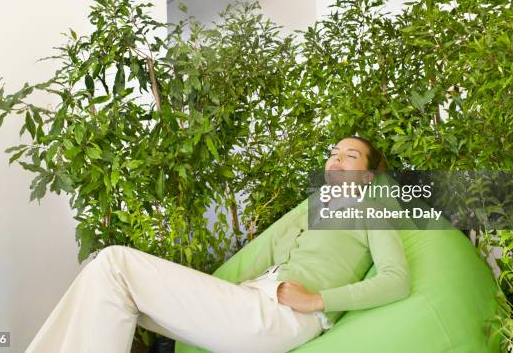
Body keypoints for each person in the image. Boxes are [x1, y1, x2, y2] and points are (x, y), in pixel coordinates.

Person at [25, 135, 410, 353]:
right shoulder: (311, 210)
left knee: (113, 263)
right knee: (106, 279)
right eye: (333, 153)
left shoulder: (374, 211)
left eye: (351, 155)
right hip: (249, 300)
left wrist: (317, 301)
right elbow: (258, 255)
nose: (336, 159)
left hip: (282, 314)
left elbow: (397, 280)